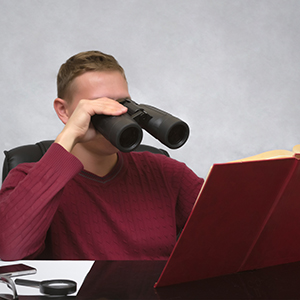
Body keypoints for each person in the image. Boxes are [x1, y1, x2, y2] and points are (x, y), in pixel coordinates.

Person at [0, 51, 204, 260]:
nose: (115, 113)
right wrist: (69, 135)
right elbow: (9, 250)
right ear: (64, 110)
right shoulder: (26, 179)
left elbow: (229, 227)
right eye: (100, 105)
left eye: (123, 103)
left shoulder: (166, 173)